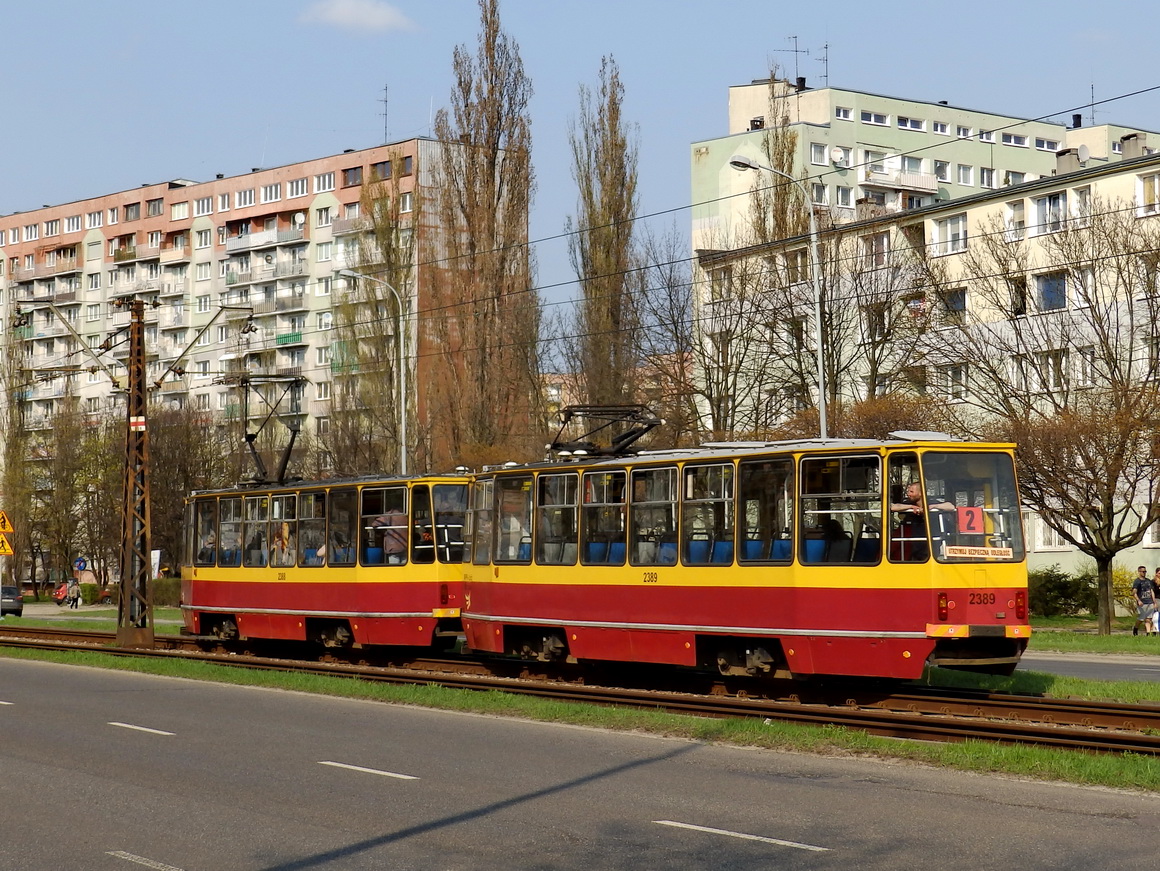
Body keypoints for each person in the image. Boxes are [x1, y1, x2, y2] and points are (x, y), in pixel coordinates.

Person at [890, 481, 954, 561]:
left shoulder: (931, 502)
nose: (908, 494)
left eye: (911, 491)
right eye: (908, 491)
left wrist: (933, 507)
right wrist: (911, 507)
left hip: (931, 541)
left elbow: (951, 506)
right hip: (912, 543)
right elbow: (892, 507)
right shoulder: (908, 503)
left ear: (920, 493)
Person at [1132, 565, 1157, 636]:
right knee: (1141, 618)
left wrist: (1154, 602)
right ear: (1139, 572)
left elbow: (1151, 591)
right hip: (1142, 603)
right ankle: (1136, 628)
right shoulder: (1137, 581)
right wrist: (1138, 600)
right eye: (1143, 571)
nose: (1144, 573)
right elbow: (1134, 592)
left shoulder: (1148, 581)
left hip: (1149, 602)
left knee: (1148, 619)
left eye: (1145, 571)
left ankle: (1148, 633)